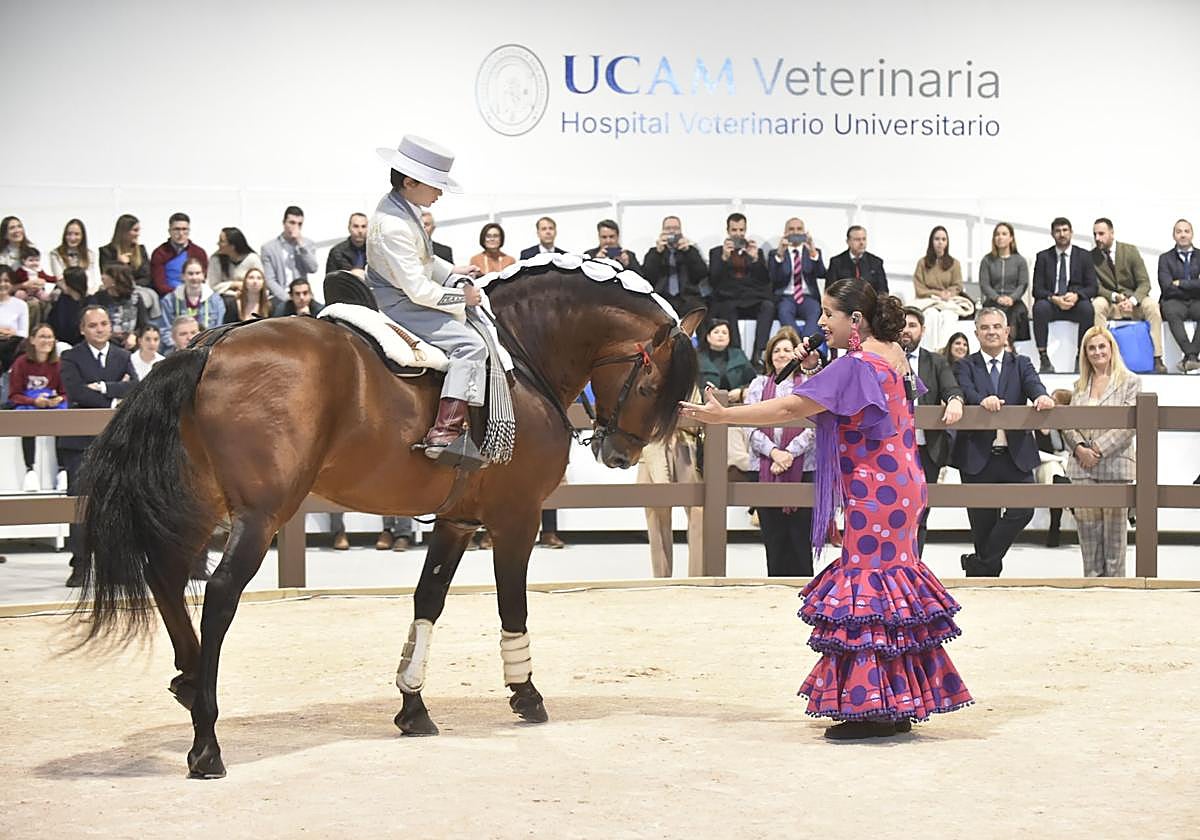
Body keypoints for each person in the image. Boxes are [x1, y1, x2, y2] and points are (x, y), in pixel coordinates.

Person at [681, 277, 971, 738]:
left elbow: (786, 409)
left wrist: (723, 417)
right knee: (893, 583)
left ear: (854, 319)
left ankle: (873, 707)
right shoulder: (892, 353)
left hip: (874, 491)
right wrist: (824, 368)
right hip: (902, 484)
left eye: (828, 314)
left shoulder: (855, 364)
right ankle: (894, 701)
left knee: (869, 588)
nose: (819, 323)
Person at [366, 135, 487, 457]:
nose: (440, 191)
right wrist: (464, 298)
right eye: (435, 184)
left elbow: (424, 260)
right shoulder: (394, 224)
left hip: (401, 292)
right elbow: (418, 290)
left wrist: (453, 272)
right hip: (399, 304)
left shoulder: (401, 206)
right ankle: (444, 434)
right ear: (409, 181)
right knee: (470, 345)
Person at [953, 308, 1056, 576]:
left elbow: (1034, 385)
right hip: (977, 457)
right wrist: (980, 401)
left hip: (1016, 455)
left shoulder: (1021, 363)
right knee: (982, 525)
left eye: (997, 327)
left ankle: (979, 564)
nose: (991, 332)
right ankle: (985, 580)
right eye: (985, 327)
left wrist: (1042, 397)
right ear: (976, 333)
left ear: (1007, 331)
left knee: (1023, 510)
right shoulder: (965, 365)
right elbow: (965, 390)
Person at [60, 306, 139, 586]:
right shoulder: (70, 356)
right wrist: (118, 393)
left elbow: (136, 388)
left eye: (104, 323)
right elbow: (76, 392)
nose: (100, 329)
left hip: (116, 441)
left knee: (117, 502)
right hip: (80, 444)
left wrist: (105, 388)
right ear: (83, 329)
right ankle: (80, 564)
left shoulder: (123, 355)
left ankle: (115, 565)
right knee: (82, 503)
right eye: (93, 325)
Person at [1062, 326, 1140, 577]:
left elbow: (1128, 426)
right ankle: (1091, 588)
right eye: (1091, 348)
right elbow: (1068, 424)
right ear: (1085, 353)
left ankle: (1116, 592)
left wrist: (1096, 449)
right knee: (1088, 540)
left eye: (1101, 346)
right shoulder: (1079, 385)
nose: (1097, 352)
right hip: (1082, 468)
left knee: (1115, 542)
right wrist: (1080, 449)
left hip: (1116, 467)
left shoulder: (1131, 382)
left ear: (1111, 349)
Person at [745, 327, 816, 576]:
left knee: (800, 538)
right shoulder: (758, 384)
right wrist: (775, 452)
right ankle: (773, 586)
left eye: (787, 349)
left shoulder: (809, 383)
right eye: (776, 350)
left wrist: (789, 454)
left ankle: (804, 588)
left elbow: (816, 426)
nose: (782, 354)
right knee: (773, 539)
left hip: (804, 468)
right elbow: (749, 425)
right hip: (765, 467)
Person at [900, 307, 964, 556]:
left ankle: (915, 567)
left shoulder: (935, 361)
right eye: (902, 324)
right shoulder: (883, 360)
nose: (907, 329)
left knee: (921, 512)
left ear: (923, 331)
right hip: (891, 449)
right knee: (894, 511)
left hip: (927, 449)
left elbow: (951, 388)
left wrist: (955, 400)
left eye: (913, 325)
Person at [1090, 219, 1166, 374]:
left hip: (1134, 301)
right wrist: (1114, 297)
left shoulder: (1130, 251)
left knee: (1152, 306)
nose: (1097, 238)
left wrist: (1132, 300)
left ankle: (1157, 358)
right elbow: (1095, 286)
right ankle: (1104, 360)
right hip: (1111, 302)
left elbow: (1144, 283)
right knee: (1097, 305)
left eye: (1101, 234)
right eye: (1095, 234)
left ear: (1112, 233)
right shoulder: (1091, 257)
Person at [638, 409, 703, 578]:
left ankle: (698, 579)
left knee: (699, 513)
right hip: (651, 444)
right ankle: (661, 581)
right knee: (656, 517)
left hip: (686, 442)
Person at [1031, 217, 1098, 373]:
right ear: (1052, 234)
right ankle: (1044, 358)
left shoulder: (1084, 256)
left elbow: (1093, 287)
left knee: (1088, 309)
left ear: (1071, 233)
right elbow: (1037, 289)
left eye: (1065, 230)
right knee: (1039, 308)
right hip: (1052, 303)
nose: (1062, 234)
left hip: (1075, 302)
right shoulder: (1043, 257)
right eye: (1058, 231)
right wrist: (1054, 298)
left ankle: (1081, 357)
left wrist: (1077, 295)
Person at [7, 323, 68, 493]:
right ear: (32, 340)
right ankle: (30, 470)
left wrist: (57, 400)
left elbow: (65, 393)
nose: (47, 340)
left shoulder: (59, 364)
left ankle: (62, 470)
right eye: (42, 336)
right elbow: (13, 395)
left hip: (52, 404)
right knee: (27, 419)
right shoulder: (21, 363)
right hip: (29, 403)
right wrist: (34, 402)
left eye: (49, 337)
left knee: (64, 416)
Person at [707, 212, 773, 362]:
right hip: (729, 298)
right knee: (727, 307)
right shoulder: (716, 252)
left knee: (768, 306)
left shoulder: (756, 251)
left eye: (741, 230)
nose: (738, 234)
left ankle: (759, 354)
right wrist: (724, 258)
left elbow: (764, 280)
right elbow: (714, 281)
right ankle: (737, 355)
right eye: (734, 230)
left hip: (752, 298)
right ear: (728, 231)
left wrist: (756, 259)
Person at [911, 226, 974, 349]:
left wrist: (948, 293)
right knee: (931, 316)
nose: (940, 242)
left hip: (948, 301)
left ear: (947, 242)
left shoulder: (954, 263)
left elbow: (958, 285)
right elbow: (919, 288)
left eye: (943, 239)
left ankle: (943, 351)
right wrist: (937, 294)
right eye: (937, 239)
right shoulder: (922, 263)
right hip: (929, 301)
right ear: (931, 241)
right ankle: (930, 351)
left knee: (948, 316)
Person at [766, 217, 825, 339]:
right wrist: (780, 255)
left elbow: (821, 273)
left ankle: (806, 343)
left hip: (808, 296)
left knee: (815, 311)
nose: (795, 232)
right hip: (785, 297)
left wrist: (813, 253)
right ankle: (795, 341)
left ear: (804, 232)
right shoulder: (775, 253)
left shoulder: (813, 251)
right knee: (784, 312)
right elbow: (773, 277)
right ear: (785, 233)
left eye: (799, 229)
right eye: (791, 229)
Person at [1157, 219, 1200, 372]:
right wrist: (1195, 285)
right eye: (1179, 231)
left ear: (1192, 234)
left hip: (1196, 301)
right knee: (1171, 312)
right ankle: (1192, 356)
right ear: (1173, 235)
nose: (1183, 235)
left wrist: (1181, 283)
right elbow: (1166, 287)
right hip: (1173, 300)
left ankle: (1190, 357)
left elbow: (1176, 285)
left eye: (1186, 231)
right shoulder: (1165, 258)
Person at [642, 215, 706, 317]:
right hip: (662, 298)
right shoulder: (654, 252)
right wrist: (658, 253)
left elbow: (701, 274)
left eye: (676, 228)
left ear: (681, 231)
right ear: (662, 232)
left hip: (687, 297)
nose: (672, 231)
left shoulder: (690, 250)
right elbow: (648, 277)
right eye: (668, 229)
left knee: (699, 309)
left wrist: (688, 252)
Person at [978, 222, 1030, 346]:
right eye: (997, 234)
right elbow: (984, 284)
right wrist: (997, 298)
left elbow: (1023, 284)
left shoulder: (1020, 261)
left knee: (1017, 312)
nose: (1000, 237)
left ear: (1011, 238)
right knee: (991, 313)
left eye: (1004, 234)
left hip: (1014, 301)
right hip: (993, 300)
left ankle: (1009, 344)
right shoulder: (987, 260)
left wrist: (1012, 298)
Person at [158, 258, 225, 351]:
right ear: (183, 276)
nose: (194, 277)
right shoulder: (169, 300)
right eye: (190, 274)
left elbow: (218, 329)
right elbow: (165, 330)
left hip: (206, 349)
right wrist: (179, 346)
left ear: (203, 276)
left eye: (198, 273)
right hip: (176, 349)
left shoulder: (216, 300)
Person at [261, 205, 319, 303]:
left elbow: (313, 268)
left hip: (303, 297)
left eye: (299, 224)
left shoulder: (308, 244)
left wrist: (301, 245)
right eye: (292, 223)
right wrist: (289, 299)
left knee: (320, 312)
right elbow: (269, 280)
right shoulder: (268, 248)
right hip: (280, 297)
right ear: (284, 223)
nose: (295, 227)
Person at [695, 319, 755, 403]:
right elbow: (691, 387)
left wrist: (741, 391)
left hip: (736, 405)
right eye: (716, 332)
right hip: (705, 404)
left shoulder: (739, 355)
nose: (720, 335)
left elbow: (753, 382)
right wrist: (707, 393)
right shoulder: (697, 358)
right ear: (708, 337)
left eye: (724, 333)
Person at [206, 227, 263, 314]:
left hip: (250, 298)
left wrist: (244, 289)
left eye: (222, 241)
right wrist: (233, 285)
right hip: (225, 300)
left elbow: (261, 282)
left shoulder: (252, 259)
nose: (218, 244)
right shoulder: (216, 260)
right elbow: (214, 285)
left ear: (232, 246)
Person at [93, 263, 150, 350]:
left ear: (116, 280)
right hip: (107, 343)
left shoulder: (135, 298)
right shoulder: (98, 298)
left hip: (131, 343)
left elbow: (143, 324)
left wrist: (134, 335)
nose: (102, 277)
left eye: (106, 274)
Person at [150, 212, 208, 296]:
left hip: (193, 295)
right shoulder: (160, 253)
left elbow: (201, 279)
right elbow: (159, 284)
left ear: (189, 231)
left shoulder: (199, 252)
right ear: (169, 231)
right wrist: (179, 293)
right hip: (168, 297)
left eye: (184, 229)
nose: (181, 233)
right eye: (177, 229)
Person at [825, 225, 888, 294]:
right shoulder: (836, 262)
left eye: (864, 239)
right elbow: (830, 291)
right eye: (857, 240)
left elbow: (883, 290)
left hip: (869, 302)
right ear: (848, 242)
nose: (862, 243)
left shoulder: (876, 262)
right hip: (845, 303)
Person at [99, 214, 152, 288]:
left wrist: (131, 285)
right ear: (123, 232)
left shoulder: (141, 250)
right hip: (115, 291)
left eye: (138, 230)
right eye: (135, 230)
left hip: (139, 290)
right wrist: (120, 264)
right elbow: (107, 278)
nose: (138, 234)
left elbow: (147, 277)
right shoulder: (107, 251)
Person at [49, 218, 100, 295]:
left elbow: (90, 278)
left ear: (83, 236)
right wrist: (73, 293)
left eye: (76, 234)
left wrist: (89, 293)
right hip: (64, 291)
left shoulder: (90, 254)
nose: (72, 238)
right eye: (69, 234)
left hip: (85, 292)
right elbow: (60, 278)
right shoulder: (55, 254)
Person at [46, 266, 88, 346]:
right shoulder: (62, 300)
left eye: (63, 281)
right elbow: (51, 322)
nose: (60, 283)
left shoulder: (88, 303)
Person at [13, 247, 54, 327]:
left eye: (37, 260)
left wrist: (56, 278)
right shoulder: (21, 271)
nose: (34, 263)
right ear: (23, 261)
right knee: (20, 294)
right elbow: (15, 280)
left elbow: (47, 277)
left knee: (46, 298)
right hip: (25, 290)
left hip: (37, 291)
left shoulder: (39, 270)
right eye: (31, 260)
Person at [0, 265, 30, 373]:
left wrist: (12, 333)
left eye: (6, 281)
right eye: (0, 281)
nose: (2, 284)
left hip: (12, 346)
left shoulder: (20, 305)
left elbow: (24, 333)